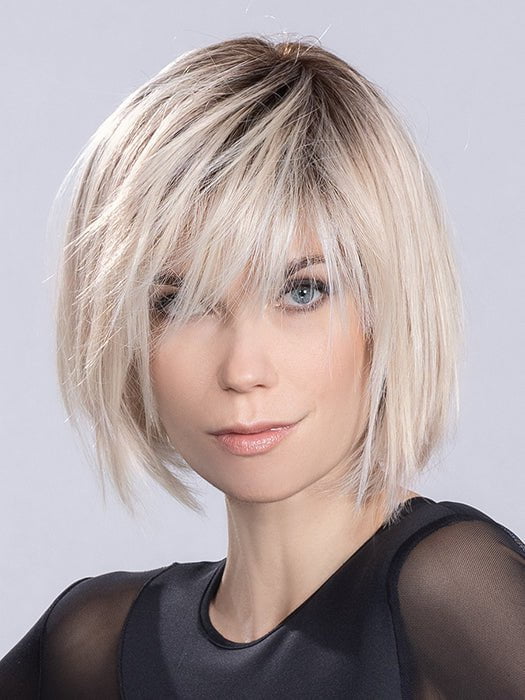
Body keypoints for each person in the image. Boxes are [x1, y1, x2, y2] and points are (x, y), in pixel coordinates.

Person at [1, 33, 523, 699]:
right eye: (179, 302)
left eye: (302, 291)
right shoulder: (99, 643)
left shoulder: (450, 593)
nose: (242, 369)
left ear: (385, 305)